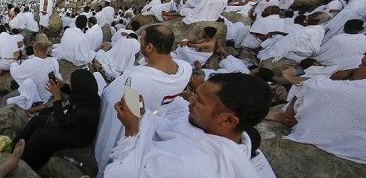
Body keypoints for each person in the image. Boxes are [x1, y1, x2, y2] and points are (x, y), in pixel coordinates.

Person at [103, 73, 272, 177]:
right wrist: (142, 115)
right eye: (194, 94)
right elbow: (166, 127)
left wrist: (132, 130)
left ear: (228, 120)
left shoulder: (197, 168)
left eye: (199, 100)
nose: (190, 100)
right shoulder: (206, 125)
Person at [94, 25, 193, 173]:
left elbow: (122, 109)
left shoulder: (136, 80)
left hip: (133, 127)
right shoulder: (185, 69)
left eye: (141, 40)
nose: (139, 43)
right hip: (157, 114)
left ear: (149, 47)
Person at [13, 69, 101, 172]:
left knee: (40, 136)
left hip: (76, 136)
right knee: (36, 120)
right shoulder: (88, 95)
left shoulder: (86, 110)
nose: (71, 86)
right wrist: (64, 86)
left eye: (72, 84)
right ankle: (13, 147)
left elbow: (61, 122)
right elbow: (75, 94)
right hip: (72, 125)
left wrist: (57, 97)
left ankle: (24, 165)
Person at [10, 41, 63, 108]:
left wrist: (15, 60)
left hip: (40, 96)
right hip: (51, 92)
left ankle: (34, 106)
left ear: (36, 51)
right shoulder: (53, 60)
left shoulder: (30, 63)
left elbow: (15, 72)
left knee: (22, 83)